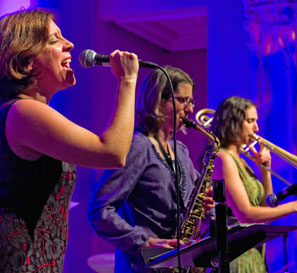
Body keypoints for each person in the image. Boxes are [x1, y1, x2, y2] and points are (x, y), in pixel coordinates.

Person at [0, 8, 139, 273]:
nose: (70, 45)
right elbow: (112, 153)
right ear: (26, 60)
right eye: (55, 40)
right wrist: (128, 80)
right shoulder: (22, 111)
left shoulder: (27, 111)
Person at [87, 66, 215, 273]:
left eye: (191, 101)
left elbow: (193, 204)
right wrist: (145, 241)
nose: (190, 109)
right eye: (183, 100)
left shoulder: (180, 151)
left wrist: (206, 206)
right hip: (143, 266)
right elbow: (99, 211)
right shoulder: (137, 146)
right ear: (157, 101)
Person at [210, 96, 297, 273]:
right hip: (237, 256)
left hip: (254, 254)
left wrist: (266, 170)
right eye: (250, 121)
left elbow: (267, 208)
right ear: (232, 122)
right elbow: (246, 214)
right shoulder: (224, 158)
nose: (256, 128)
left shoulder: (240, 161)